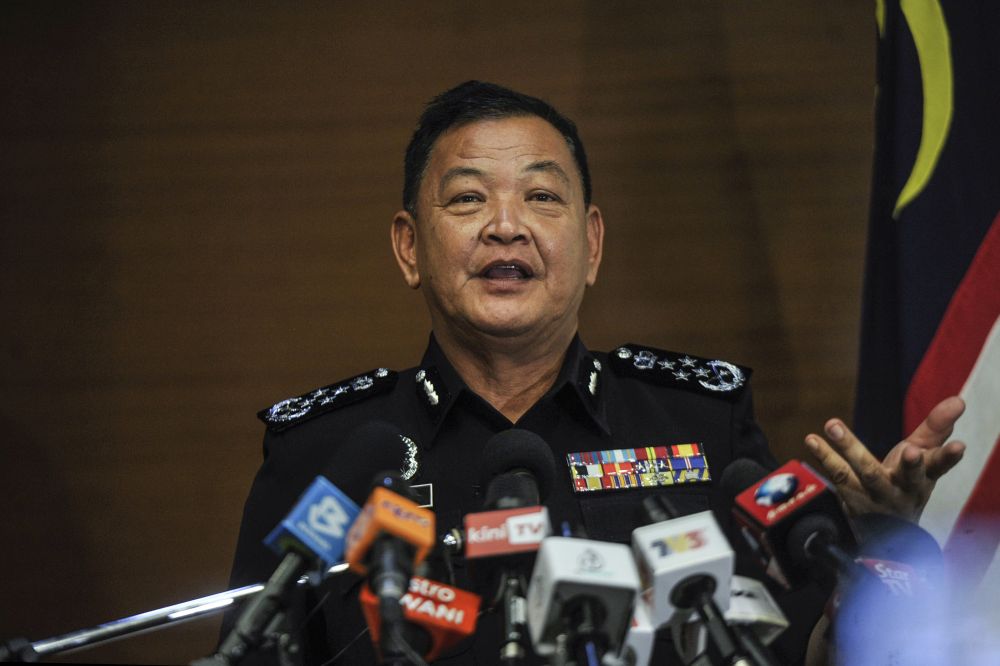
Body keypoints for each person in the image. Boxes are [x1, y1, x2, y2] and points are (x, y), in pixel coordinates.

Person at [221, 81, 966, 665]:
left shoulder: (703, 425)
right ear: (409, 247)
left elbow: (796, 649)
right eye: (468, 198)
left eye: (541, 197)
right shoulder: (329, 453)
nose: (505, 225)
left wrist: (866, 552)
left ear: (593, 243)